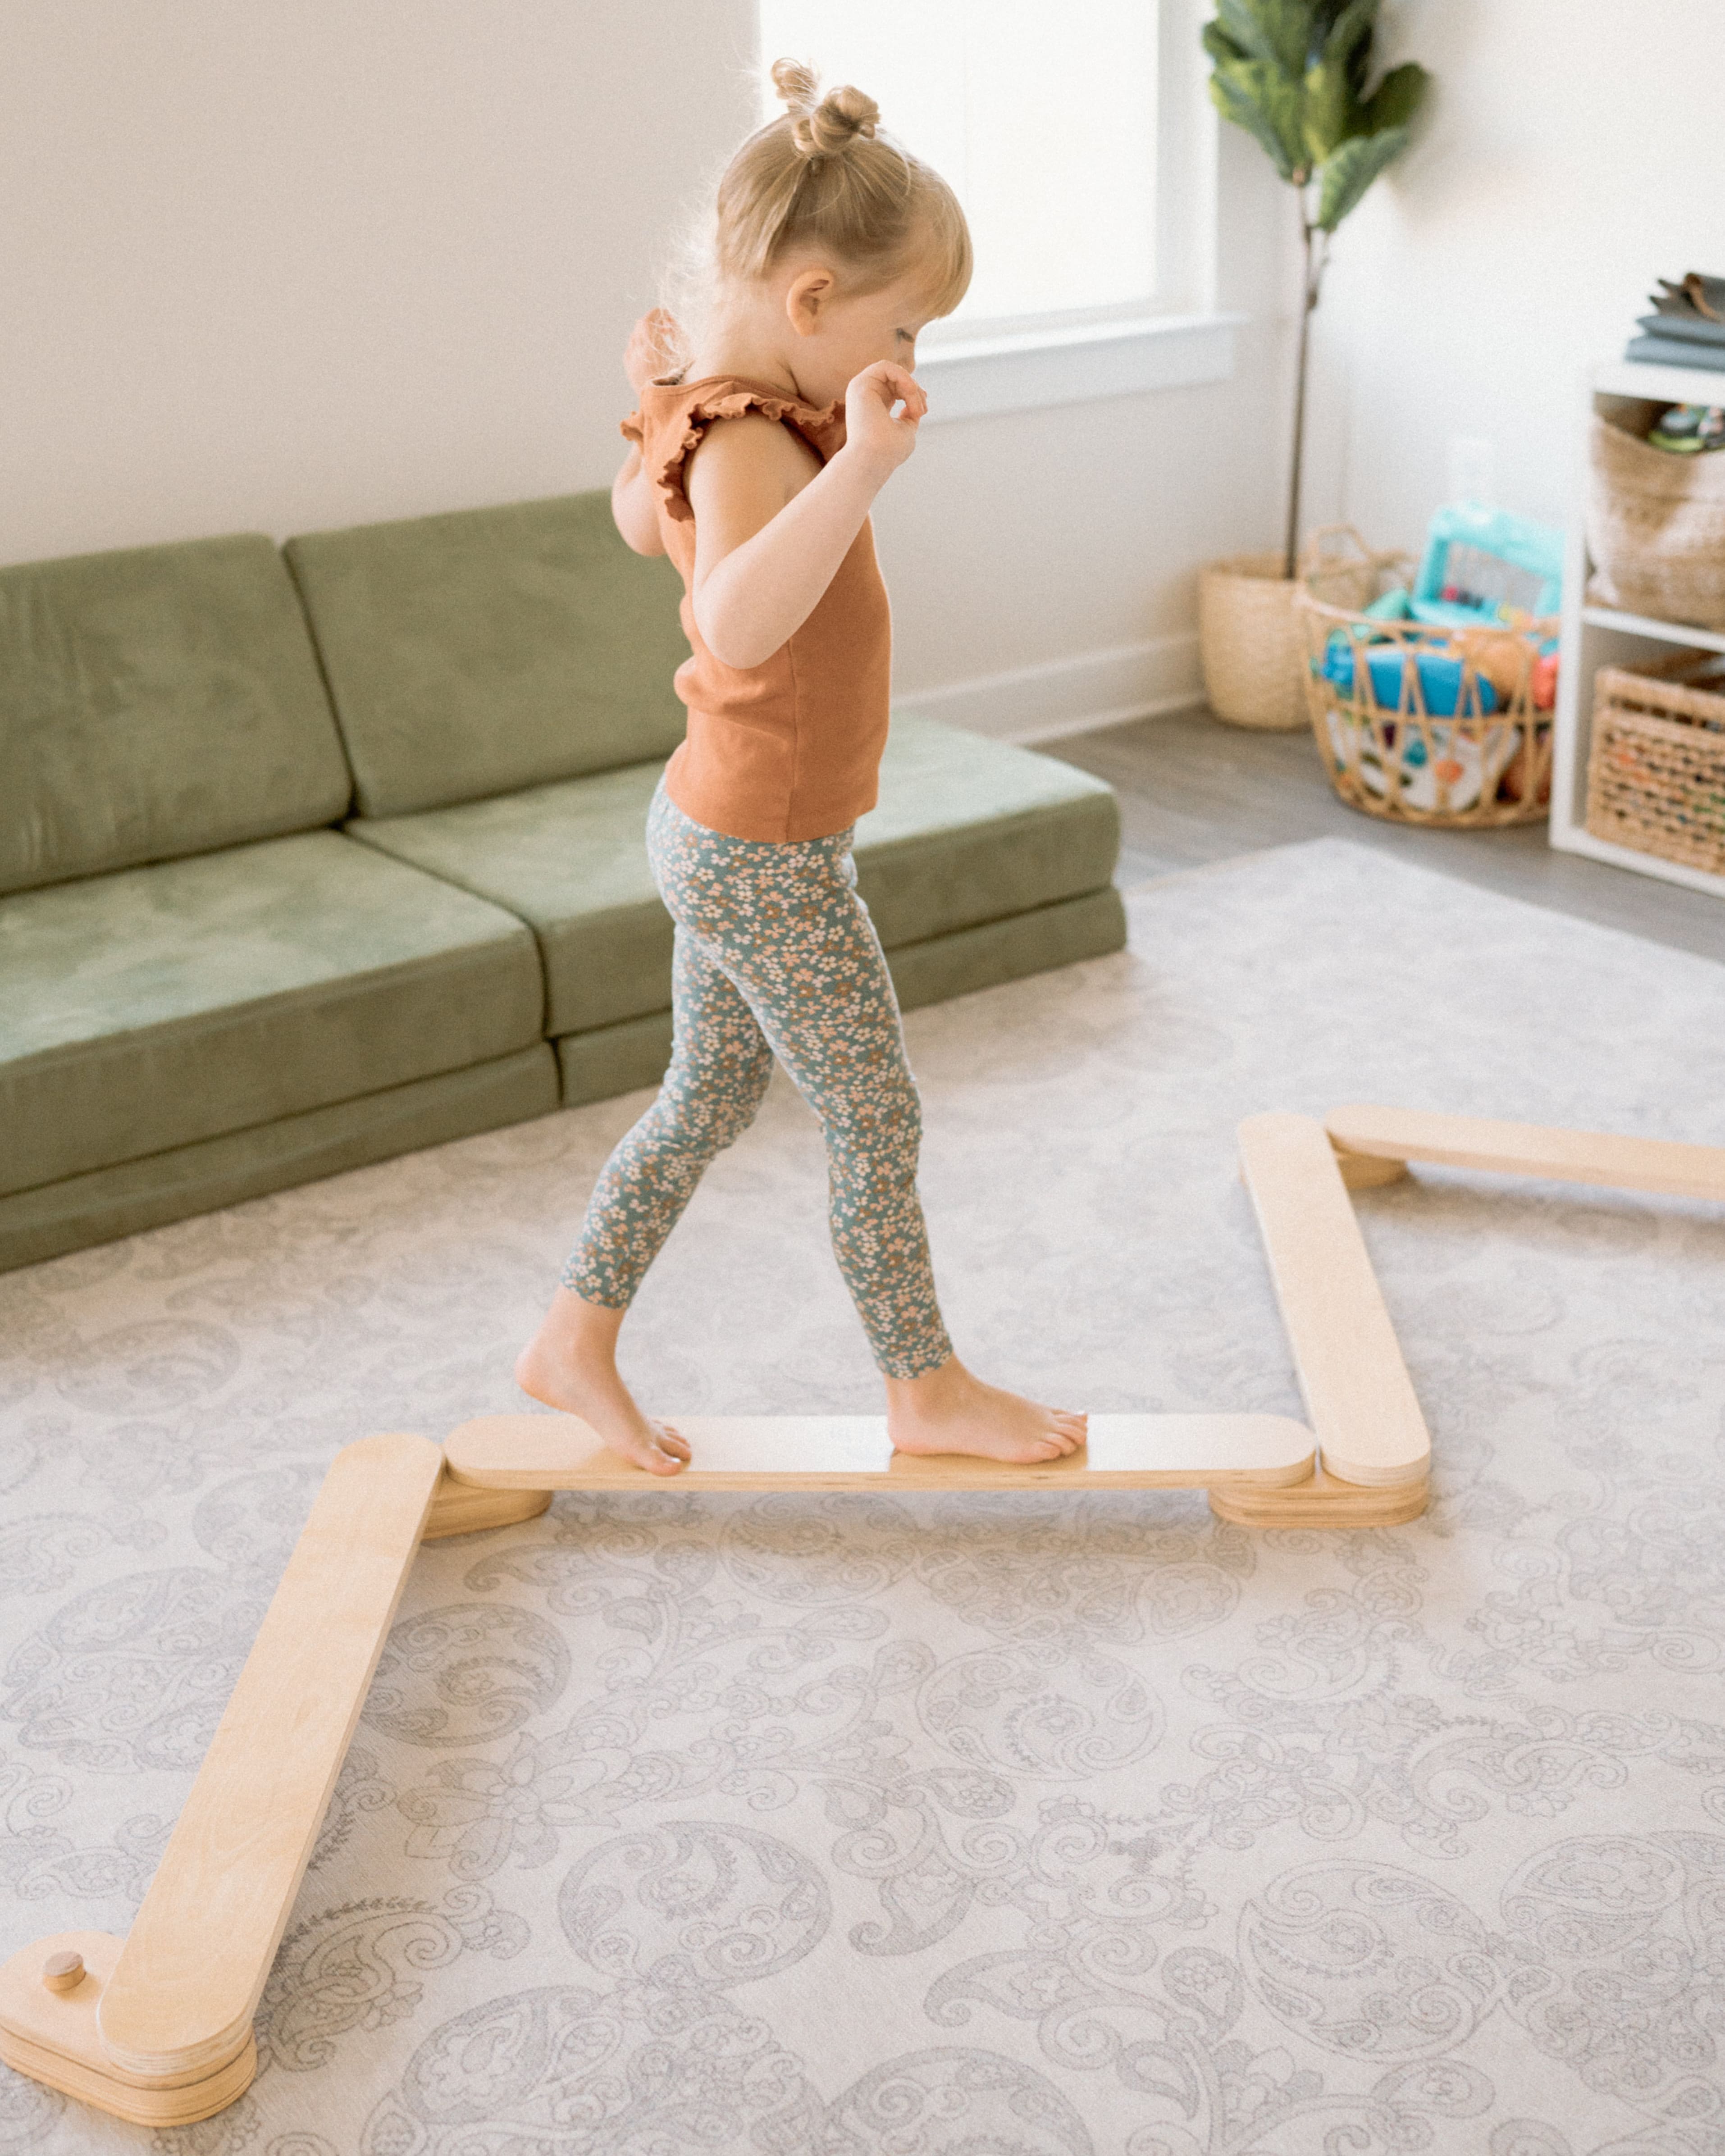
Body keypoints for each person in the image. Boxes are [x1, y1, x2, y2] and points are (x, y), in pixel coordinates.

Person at [516, 60, 1086, 1476]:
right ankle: (924, 1387)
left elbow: (644, 529)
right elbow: (732, 613)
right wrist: (864, 471)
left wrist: (649, 404)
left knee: (703, 1100)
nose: (916, 354)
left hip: (738, 830)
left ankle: (569, 1342)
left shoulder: (709, 407)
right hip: (755, 849)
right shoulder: (760, 437)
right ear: (814, 302)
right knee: (873, 1110)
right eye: (906, 324)